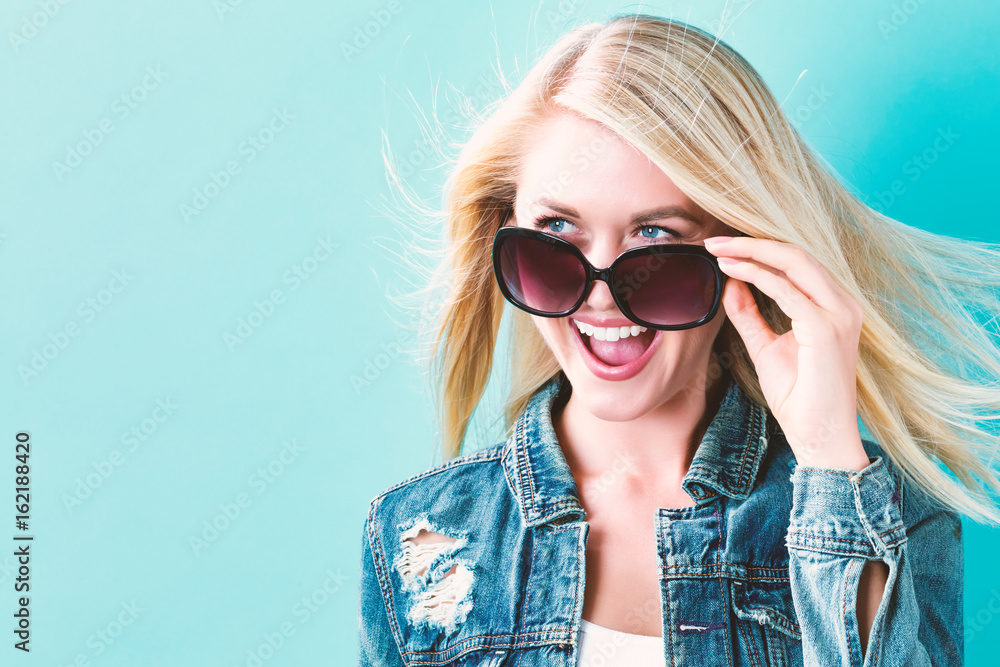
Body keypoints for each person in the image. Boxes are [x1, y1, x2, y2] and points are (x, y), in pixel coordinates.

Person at [357, 13, 1000, 666]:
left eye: (655, 237)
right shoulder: (420, 535)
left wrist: (831, 462)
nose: (600, 294)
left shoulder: (895, 522)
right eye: (555, 232)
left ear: (743, 251)